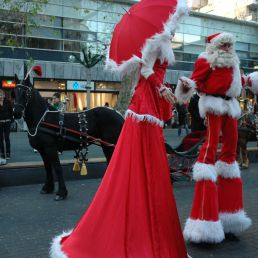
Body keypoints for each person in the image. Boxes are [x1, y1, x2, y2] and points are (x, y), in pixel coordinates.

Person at [50, 3, 189, 258]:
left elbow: (156, 73)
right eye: (175, 22)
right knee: (143, 160)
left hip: (151, 104)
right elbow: (146, 69)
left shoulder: (166, 42)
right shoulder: (155, 41)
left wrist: (177, 88)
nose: (176, 27)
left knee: (152, 159)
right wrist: (161, 88)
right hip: (144, 104)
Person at [175, 32, 251, 243]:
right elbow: (196, 81)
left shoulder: (234, 62)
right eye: (224, 44)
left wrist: (251, 80)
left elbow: (238, 81)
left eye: (229, 44)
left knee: (230, 152)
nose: (227, 47)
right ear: (215, 46)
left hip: (231, 105)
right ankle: (203, 225)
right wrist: (186, 85)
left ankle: (229, 219)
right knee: (209, 149)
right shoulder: (205, 59)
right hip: (213, 104)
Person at [0, 89, 13, 160]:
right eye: (0, 95)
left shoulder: (8, 102)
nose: (1, 96)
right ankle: (2, 154)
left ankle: (8, 153)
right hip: (0, 123)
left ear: (4, 95)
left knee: (7, 138)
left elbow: (11, 111)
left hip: (7, 122)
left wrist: (11, 119)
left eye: (2, 95)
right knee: (0, 139)